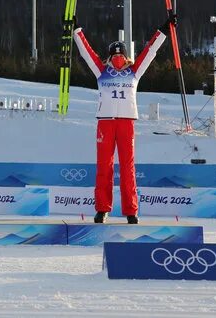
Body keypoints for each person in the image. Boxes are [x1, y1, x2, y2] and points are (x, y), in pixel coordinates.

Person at [73, 16, 173, 224]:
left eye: (121, 55)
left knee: (128, 168)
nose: (117, 58)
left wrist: (164, 29)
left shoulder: (134, 72)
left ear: (126, 57)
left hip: (126, 123)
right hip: (106, 123)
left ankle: (131, 211)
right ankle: (102, 209)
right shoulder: (101, 72)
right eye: (114, 55)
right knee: (104, 167)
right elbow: (86, 52)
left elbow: (150, 52)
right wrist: (76, 30)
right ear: (109, 58)